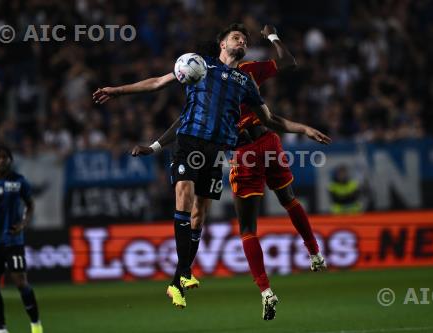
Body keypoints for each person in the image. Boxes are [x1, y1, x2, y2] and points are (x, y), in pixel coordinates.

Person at [93, 23, 331, 318]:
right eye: (236, 37)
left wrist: (304, 128)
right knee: (186, 195)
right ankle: (184, 274)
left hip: (219, 151)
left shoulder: (246, 80)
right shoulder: (199, 65)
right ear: (221, 44)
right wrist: (119, 92)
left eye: (244, 38)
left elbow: (271, 118)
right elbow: (159, 84)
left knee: (200, 213)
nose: (242, 40)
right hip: (198, 144)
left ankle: (182, 275)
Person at [0, 146, 43, 333]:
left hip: (13, 241)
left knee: (21, 282)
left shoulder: (19, 181)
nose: (1, 160)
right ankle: (1, 329)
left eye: (4, 157)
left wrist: (23, 223)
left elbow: (30, 205)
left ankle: (36, 324)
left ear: (10, 160)